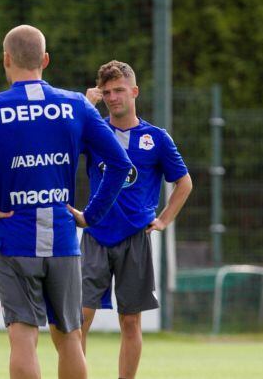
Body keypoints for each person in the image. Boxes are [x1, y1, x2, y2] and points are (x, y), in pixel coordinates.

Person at [0, 25, 132, 379]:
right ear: (45, 59)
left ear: (6, 60)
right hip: (62, 237)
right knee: (70, 338)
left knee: (23, 339)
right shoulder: (76, 105)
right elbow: (120, 164)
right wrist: (91, 215)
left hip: (13, 237)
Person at [79, 60, 192, 379]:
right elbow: (63, 145)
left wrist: (164, 220)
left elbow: (184, 182)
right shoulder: (94, 131)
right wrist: (85, 108)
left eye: (119, 90)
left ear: (135, 92)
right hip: (96, 234)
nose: (113, 97)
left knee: (130, 321)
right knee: (79, 319)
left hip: (134, 239)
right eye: (107, 92)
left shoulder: (156, 138)